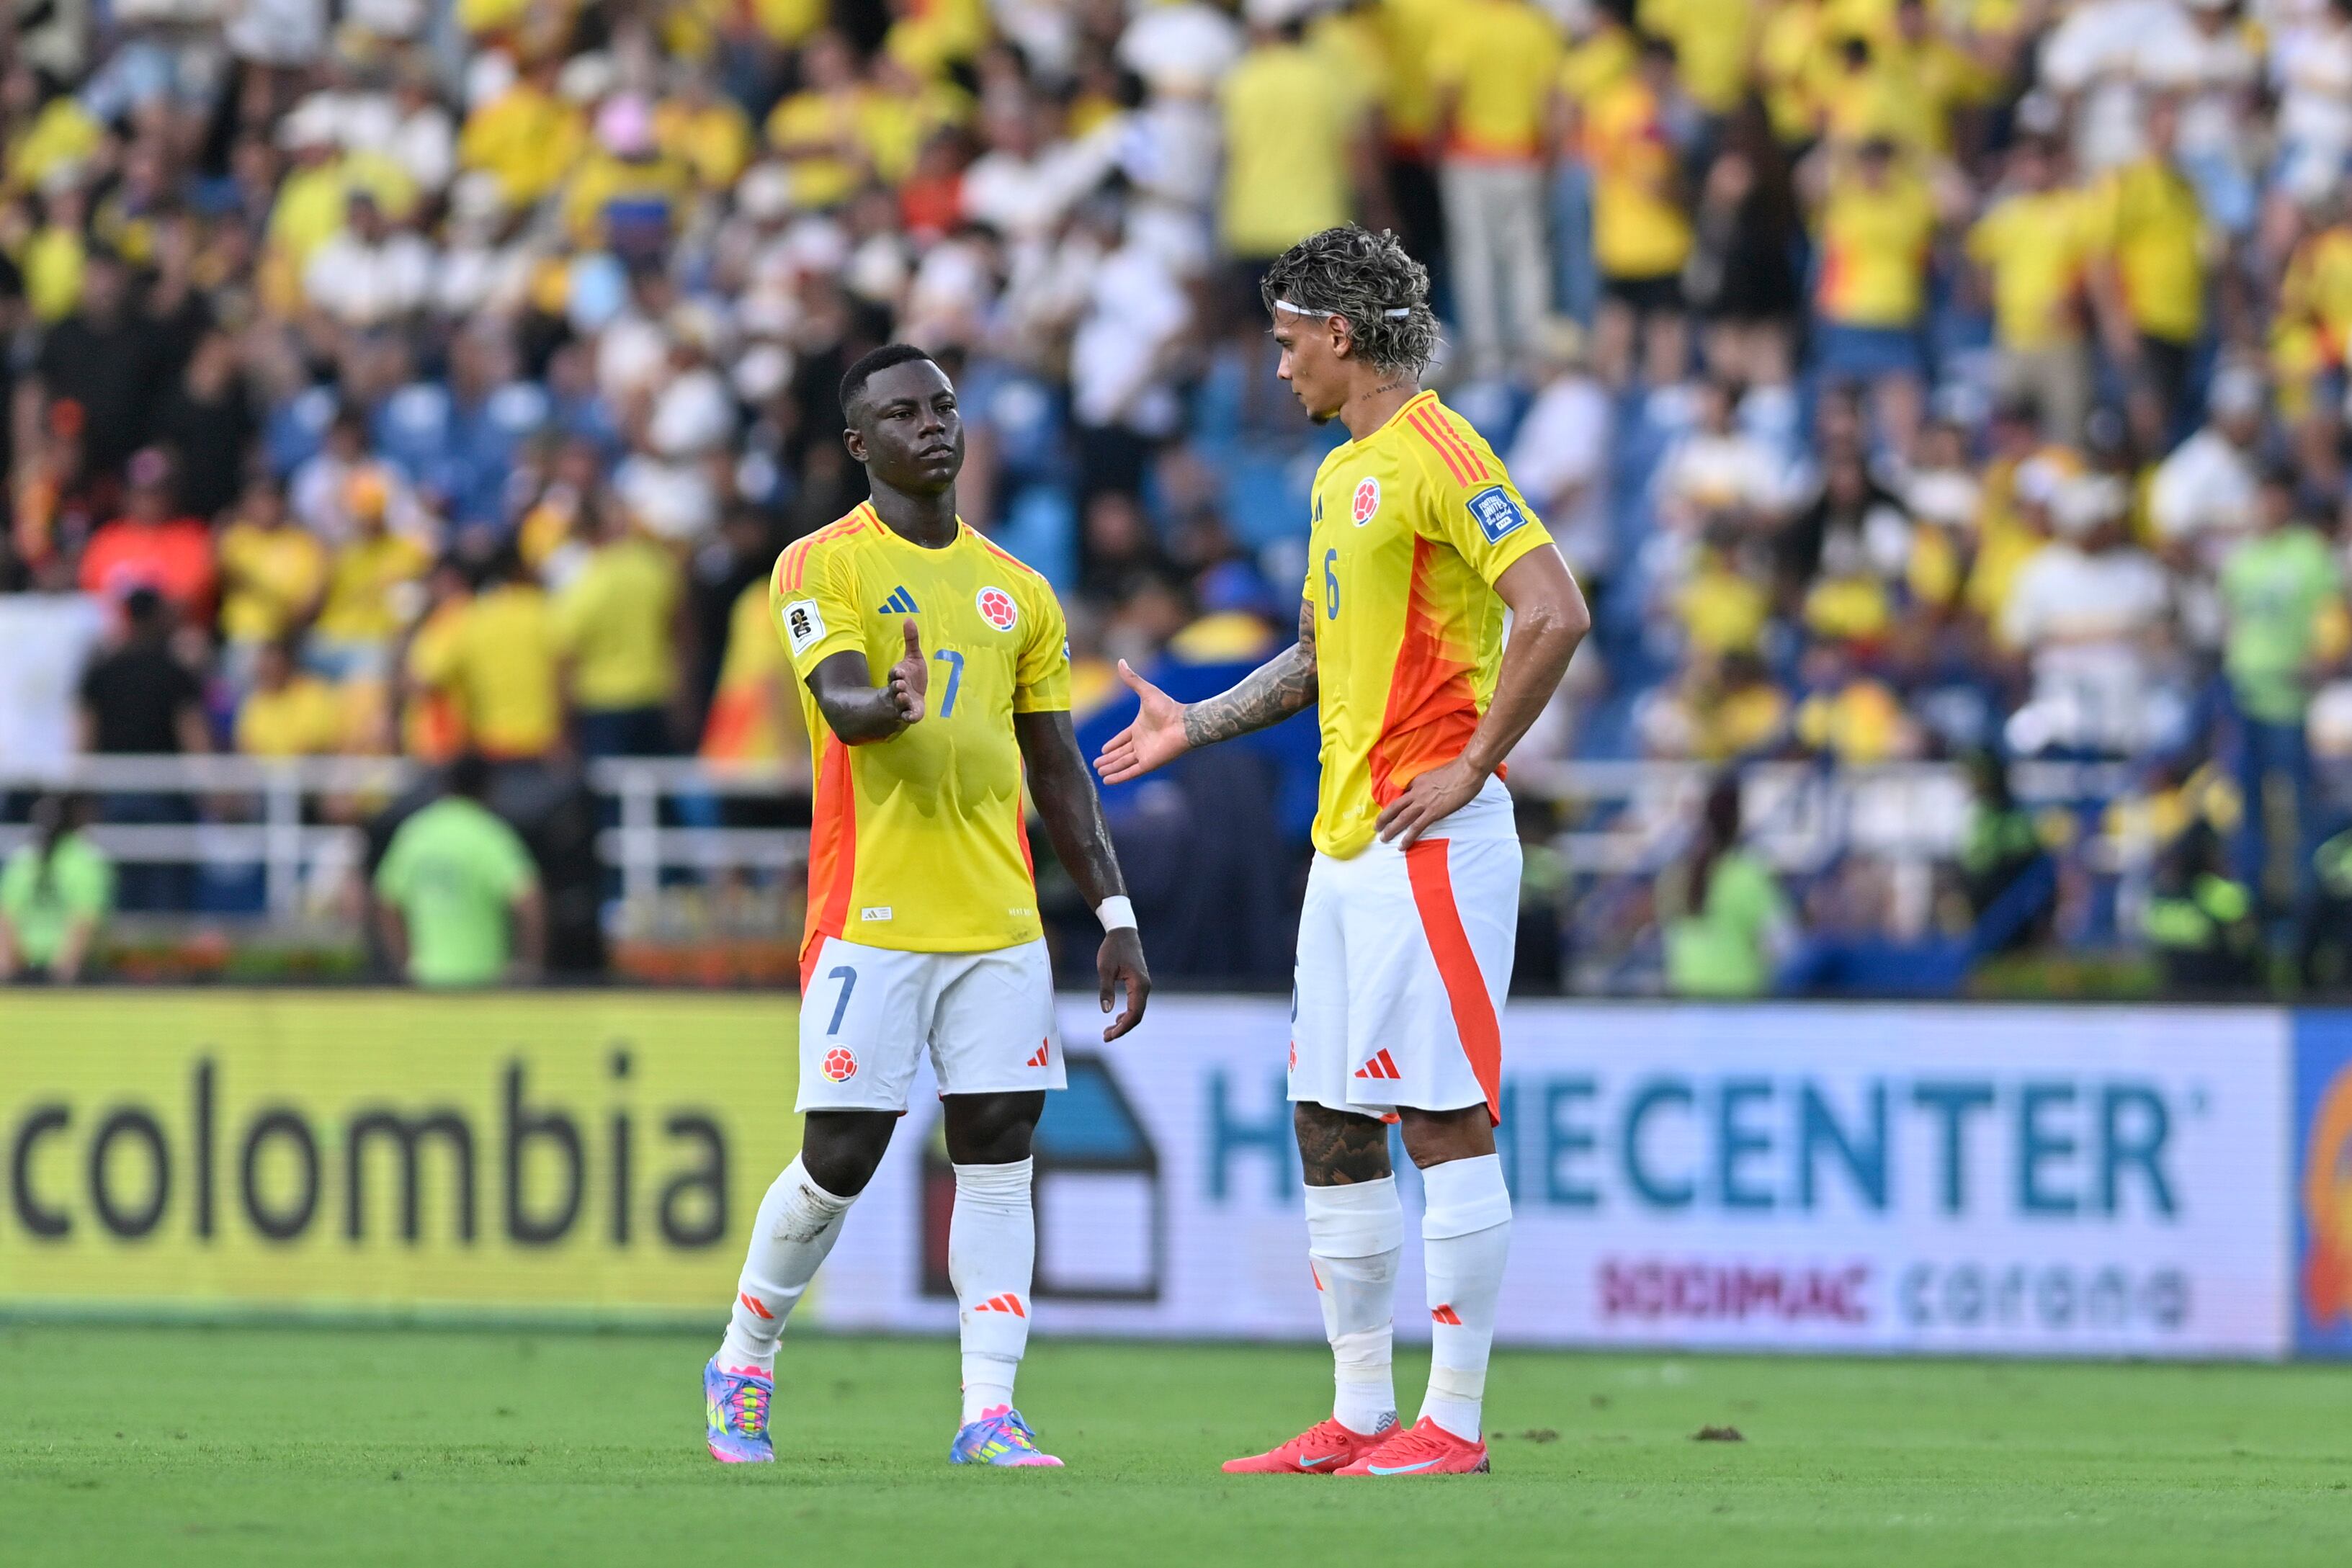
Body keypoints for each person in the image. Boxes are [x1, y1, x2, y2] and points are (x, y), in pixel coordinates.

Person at [1096, 226, 1589, 1477]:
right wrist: (1194, 725)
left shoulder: (1441, 449)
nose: (1275, 370)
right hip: (1348, 848)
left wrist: (1474, 760)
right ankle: (1363, 1412)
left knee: (1441, 1119)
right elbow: (1320, 657)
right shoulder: (1340, 475)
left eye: (1285, 342)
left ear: (1341, 334)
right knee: (1330, 1118)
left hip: (1433, 838)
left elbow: (1554, 608)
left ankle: (1457, 1423)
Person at [704, 344, 1153, 1471]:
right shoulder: (820, 567)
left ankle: (989, 1409)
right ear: (861, 444)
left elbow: (1059, 769)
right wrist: (887, 703)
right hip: (872, 915)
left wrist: (1112, 915)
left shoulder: (1021, 589)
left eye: (944, 407)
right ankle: (745, 1353)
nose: (931, 426)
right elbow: (842, 705)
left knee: (999, 1151)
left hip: (999, 923)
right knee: (842, 1156)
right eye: (902, 413)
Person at [371, 752, 545, 987]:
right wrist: (529, 965)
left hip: (426, 981)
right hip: (484, 981)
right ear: (489, 788)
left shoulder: (416, 832)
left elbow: (386, 900)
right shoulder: (490, 835)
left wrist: (405, 964)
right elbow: (529, 899)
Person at [1657, 774, 1792, 996]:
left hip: (1686, 998)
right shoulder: (1748, 874)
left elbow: (1669, 938)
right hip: (1739, 1001)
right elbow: (1781, 944)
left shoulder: (1675, 874)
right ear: (1738, 820)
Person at [0, 793, 112, 982]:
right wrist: (66, 969)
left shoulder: (22, 860)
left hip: (22, 966)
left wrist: (8, 966)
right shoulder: (87, 861)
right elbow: (85, 919)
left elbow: (6, 918)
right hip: (65, 970)